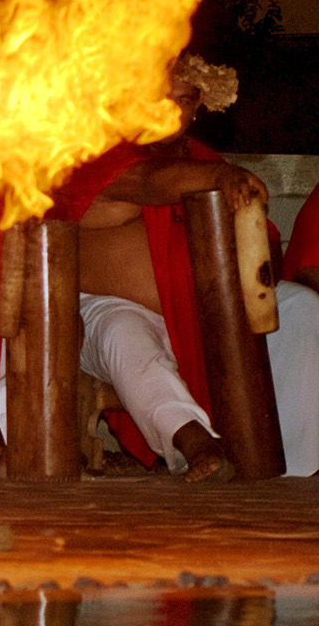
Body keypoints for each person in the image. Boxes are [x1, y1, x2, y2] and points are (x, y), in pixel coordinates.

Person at [55, 53, 319, 479]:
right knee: (125, 331)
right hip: (102, 313)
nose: (170, 110)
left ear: (197, 107)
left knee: (301, 307)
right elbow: (147, 182)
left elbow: (261, 248)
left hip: (208, 315)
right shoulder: (93, 160)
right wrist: (216, 180)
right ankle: (194, 443)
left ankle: (296, 468)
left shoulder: (208, 162)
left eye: (184, 99)